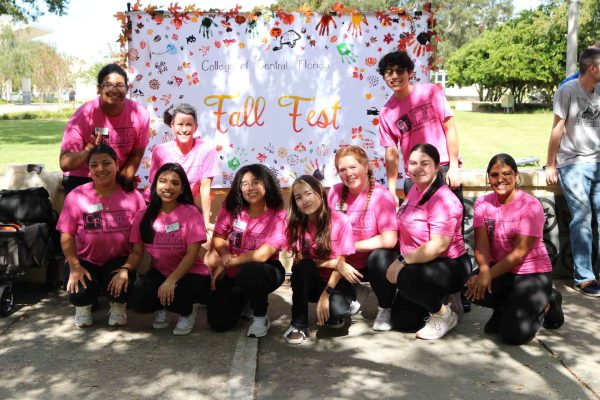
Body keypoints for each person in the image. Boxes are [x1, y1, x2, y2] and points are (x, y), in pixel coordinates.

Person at [465, 154, 564, 344]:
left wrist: (487, 276)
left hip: (532, 273)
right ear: (488, 177)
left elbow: (519, 253)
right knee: (466, 286)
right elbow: (481, 244)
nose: (500, 179)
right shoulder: (483, 203)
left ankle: (549, 302)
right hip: (502, 271)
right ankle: (504, 308)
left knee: (514, 335)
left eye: (506, 174)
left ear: (516, 175)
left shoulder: (531, 206)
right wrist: (484, 270)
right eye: (494, 175)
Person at [385, 144, 471, 340]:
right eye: (413, 163)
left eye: (425, 163)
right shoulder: (415, 190)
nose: (418, 168)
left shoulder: (444, 200)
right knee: (403, 322)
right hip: (420, 263)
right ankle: (440, 299)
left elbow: (437, 246)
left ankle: (444, 314)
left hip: (448, 265)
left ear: (437, 167)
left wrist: (401, 261)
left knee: (405, 276)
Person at [56, 144, 145, 328]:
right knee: (79, 293)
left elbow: (138, 246)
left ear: (117, 164)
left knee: (121, 287)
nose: (100, 169)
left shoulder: (133, 196)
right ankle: (83, 307)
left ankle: (118, 305)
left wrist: (126, 270)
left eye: (106, 163)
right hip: (84, 260)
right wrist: (74, 266)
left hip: (118, 260)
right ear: (88, 170)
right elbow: (66, 236)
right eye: (94, 165)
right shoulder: (76, 196)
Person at [125, 163, 210, 335]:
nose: (168, 187)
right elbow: (137, 252)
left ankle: (187, 312)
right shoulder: (143, 215)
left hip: (192, 273)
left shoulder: (192, 213)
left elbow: (191, 254)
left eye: (175, 183)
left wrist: (171, 281)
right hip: (160, 272)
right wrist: (124, 270)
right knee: (137, 300)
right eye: (163, 181)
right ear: (155, 185)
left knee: (177, 297)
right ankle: (161, 307)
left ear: (182, 188)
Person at [204, 164, 287, 337]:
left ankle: (260, 317)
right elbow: (219, 237)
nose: (250, 188)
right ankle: (244, 300)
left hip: (266, 269)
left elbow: (263, 255)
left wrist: (229, 262)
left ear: (267, 184)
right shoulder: (231, 208)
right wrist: (224, 255)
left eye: (256, 182)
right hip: (234, 270)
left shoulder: (279, 215)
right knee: (218, 322)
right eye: (244, 184)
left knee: (251, 272)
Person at [546, 47, 600, 296]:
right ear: (593, 68)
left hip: (597, 162)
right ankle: (584, 277)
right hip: (573, 163)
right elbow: (557, 129)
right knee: (583, 218)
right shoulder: (567, 91)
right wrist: (550, 164)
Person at [327, 145, 398, 331]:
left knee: (380, 257)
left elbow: (389, 240)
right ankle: (354, 292)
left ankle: (385, 308)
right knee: (332, 316)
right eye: (342, 169)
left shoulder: (382, 196)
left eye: (353, 167)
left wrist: (350, 245)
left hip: (373, 263)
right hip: (344, 264)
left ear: (365, 166)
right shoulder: (334, 193)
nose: (348, 173)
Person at [377, 51, 461, 206]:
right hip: (415, 175)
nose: (394, 76)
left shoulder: (431, 91)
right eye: (388, 72)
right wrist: (391, 189)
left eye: (399, 71)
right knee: (417, 227)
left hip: (443, 169)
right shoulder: (386, 113)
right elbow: (391, 152)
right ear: (383, 77)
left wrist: (454, 166)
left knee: (452, 227)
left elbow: (450, 128)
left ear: (409, 72)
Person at [283, 175, 356, 344]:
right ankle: (298, 325)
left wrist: (326, 294)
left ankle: (352, 298)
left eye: (308, 193)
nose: (304, 200)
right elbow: (301, 261)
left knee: (334, 319)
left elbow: (342, 264)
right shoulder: (296, 224)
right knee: (303, 267)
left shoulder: (340, 220)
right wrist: (334, 263)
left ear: (320, 193)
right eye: (298, 197)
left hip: (336, 283)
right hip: (314, 281)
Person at [59, 63, 150, 195]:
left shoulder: (140, 114)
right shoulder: (83, 115)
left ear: (127, 88)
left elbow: (136, 155)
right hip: (83, 177)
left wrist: (120, 181)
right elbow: (65, 163)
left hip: (116, 176)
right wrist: (87, 151)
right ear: (98, 89)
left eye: (120, 85)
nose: (114, 90)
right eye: (108, 85)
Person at [149, 104, 219, 232]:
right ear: (172, 126)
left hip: (189, 209)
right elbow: (155, 187)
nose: (184, 129)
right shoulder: (159, 151)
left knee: (211, 243)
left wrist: (205, 222)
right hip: (164, 209)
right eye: (180, 124)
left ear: (195, 127)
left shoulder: (207, 150)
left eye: (188, 125)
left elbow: (205, 188)